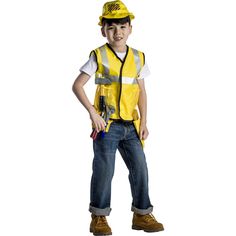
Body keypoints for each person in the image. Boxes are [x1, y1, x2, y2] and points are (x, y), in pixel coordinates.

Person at [72, 0, 164, 235]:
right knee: (104, 170)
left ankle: (142, 215)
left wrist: (144, 122)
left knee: (140, 168)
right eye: (111, 27)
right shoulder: (99, 55)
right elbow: (77, 86)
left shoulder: (138, 58)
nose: (117, 32)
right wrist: (93, 114)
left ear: (130, 28)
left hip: (131, 125)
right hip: (107, 125)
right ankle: (99, 217)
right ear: (103, 30)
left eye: (122, 26)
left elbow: (142, 91)